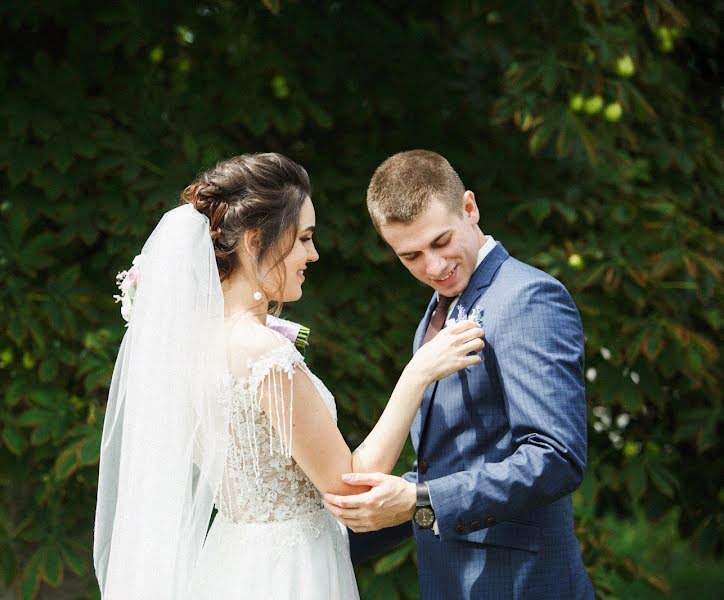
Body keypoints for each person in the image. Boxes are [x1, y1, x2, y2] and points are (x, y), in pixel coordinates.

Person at [93, 152, 484, 599]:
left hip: (231, 560)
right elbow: (348, 486)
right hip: (290, 574)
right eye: (303, 238)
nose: (312, 255)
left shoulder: (197, 345)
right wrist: (417, 374)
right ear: (257, 240)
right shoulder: (262, 353)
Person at [323, 150, 594, 598]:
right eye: (410, 256)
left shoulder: (527, 298)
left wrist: (420, 501)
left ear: (469, 208)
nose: (433, 267)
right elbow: (449, 464)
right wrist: (332, 537)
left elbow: (556, 457)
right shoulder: (440, 307)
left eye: (441, 241)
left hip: (521, 585)